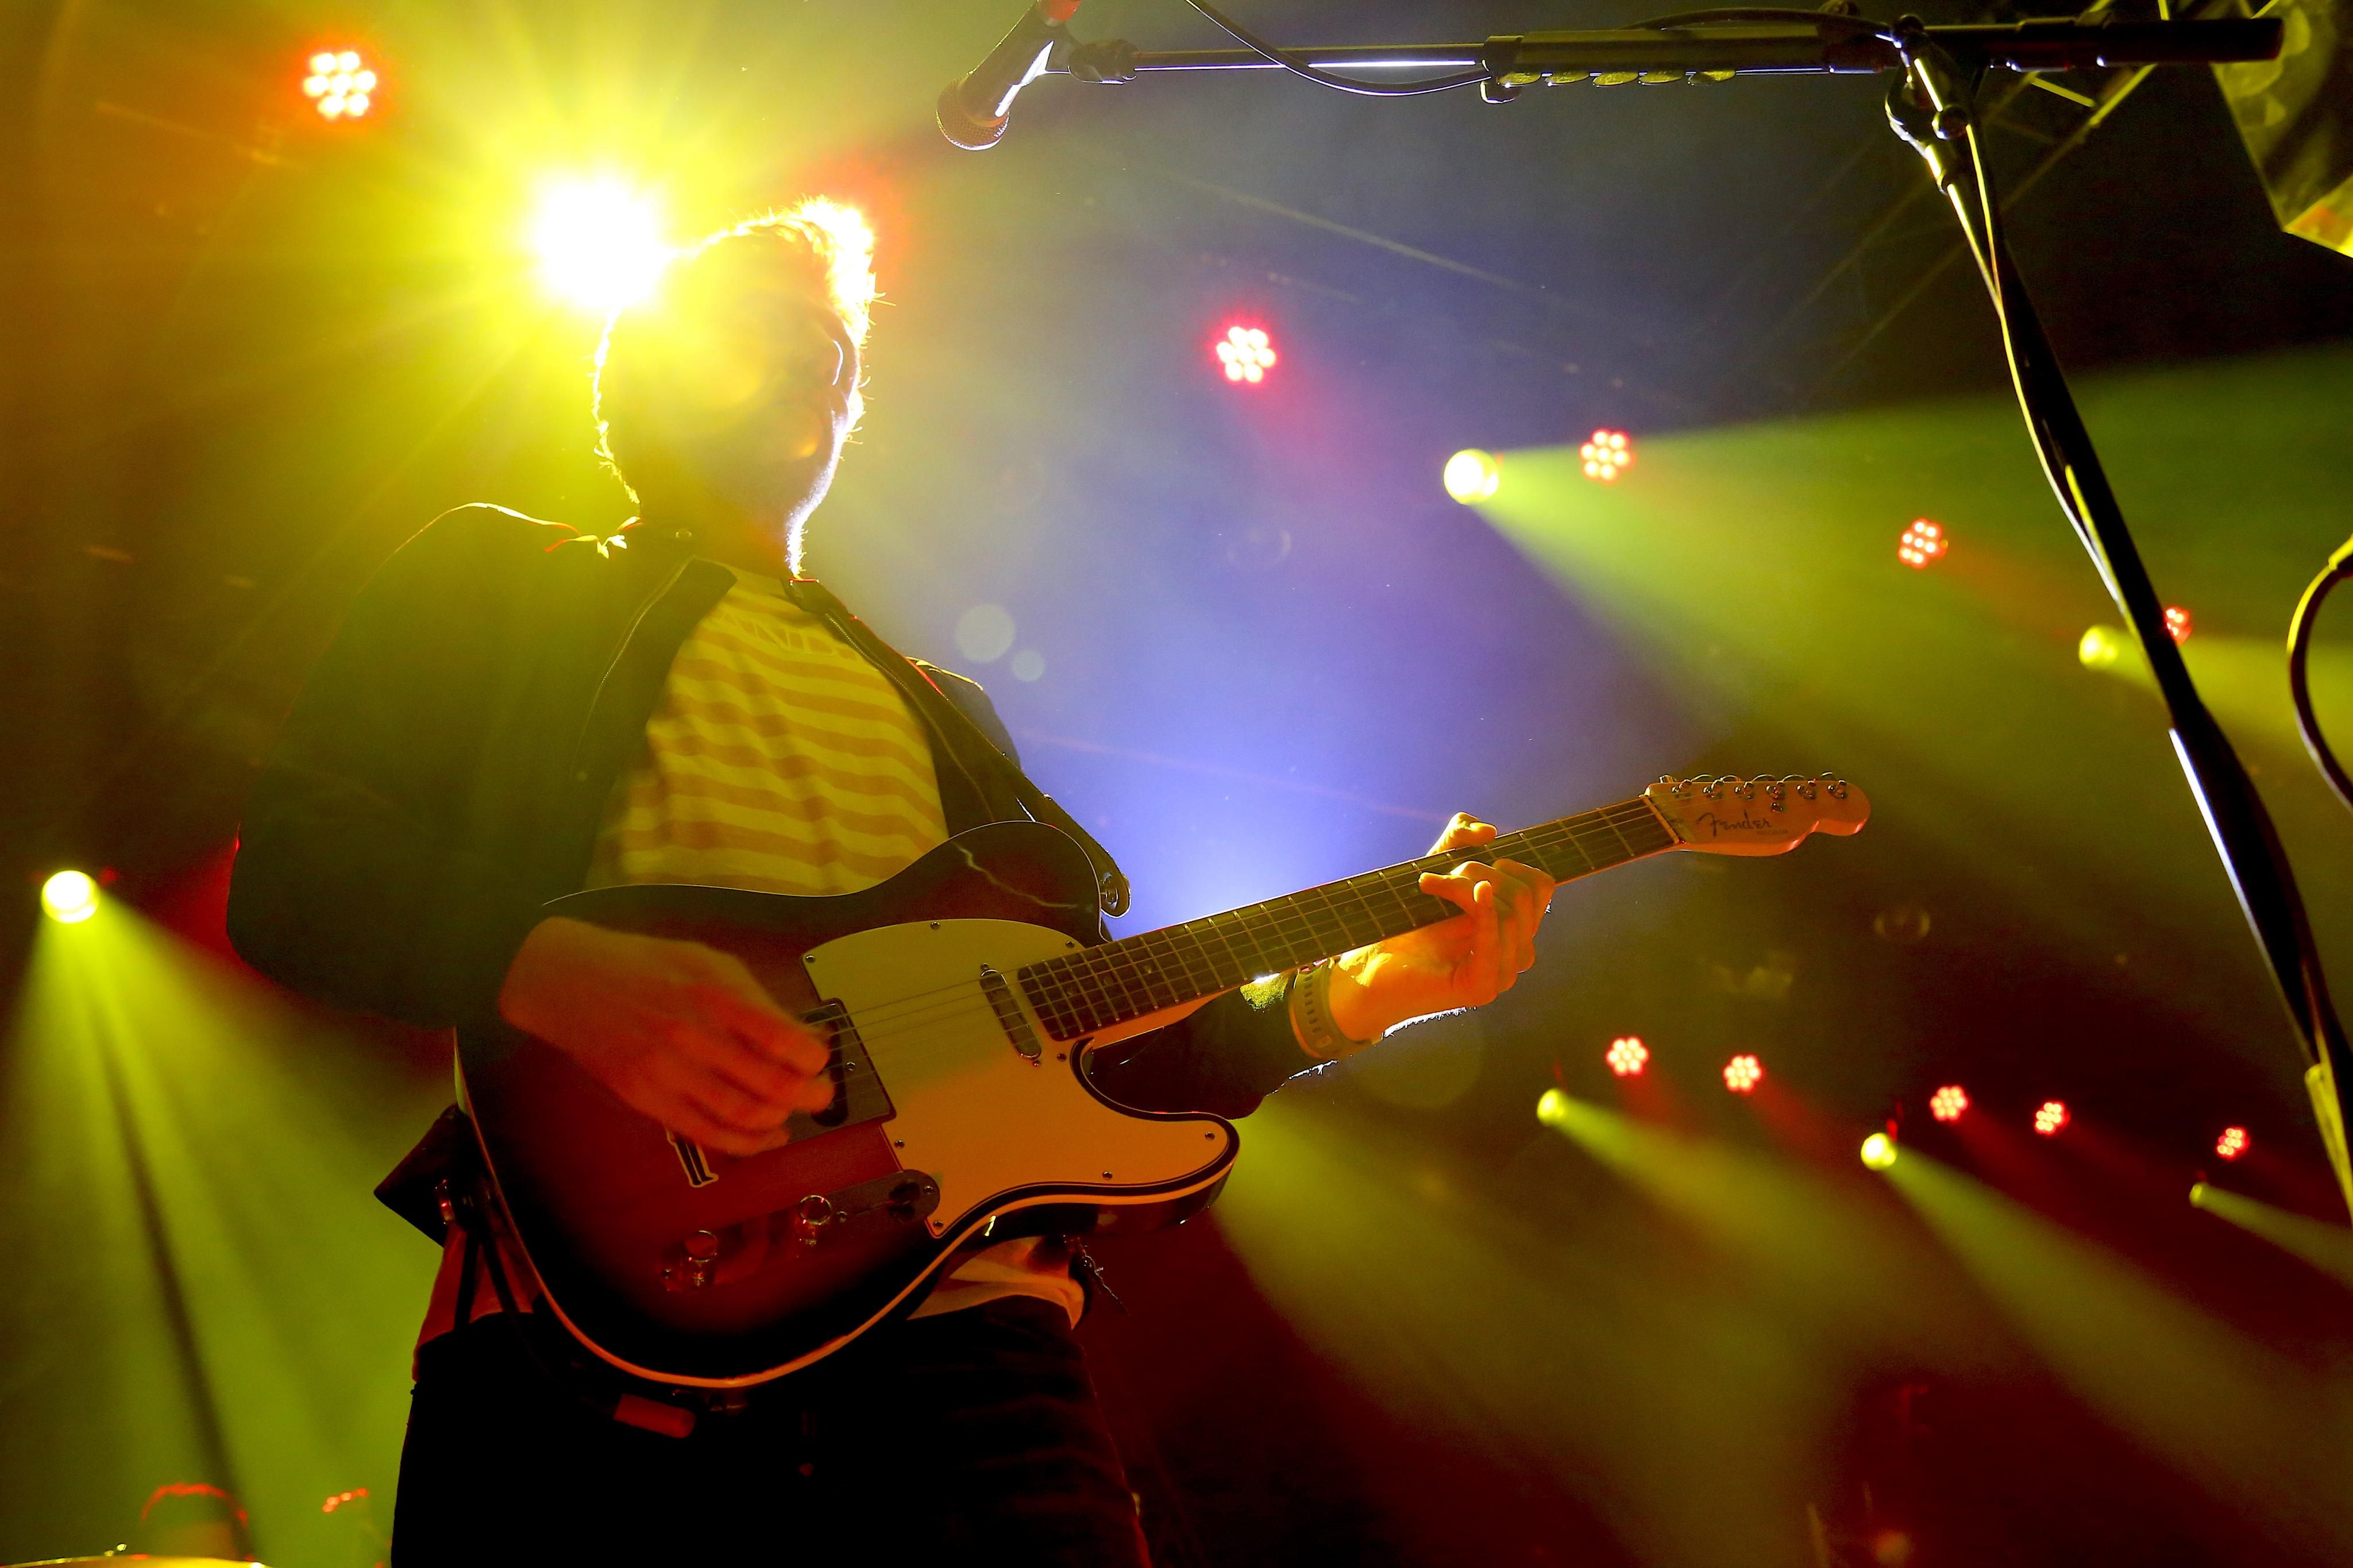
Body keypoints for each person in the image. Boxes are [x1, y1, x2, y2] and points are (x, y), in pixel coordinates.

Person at [226, 199, 1558, 1563]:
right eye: (751, 327)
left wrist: (1356, 999)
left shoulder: (946, 714)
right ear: (638, 378)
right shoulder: (507, 578)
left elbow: (1089, 1058)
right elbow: (296, 873)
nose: (805, 361)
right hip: (590, 1344)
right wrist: (545, 969)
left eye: (829, 350)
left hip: (973, 1368)